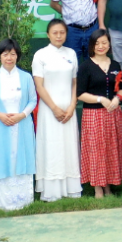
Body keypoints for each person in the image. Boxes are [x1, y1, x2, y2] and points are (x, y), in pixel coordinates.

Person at [33, 19, 82, 201]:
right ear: (48, 34)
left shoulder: (71, 53)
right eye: (55, 32)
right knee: (52, 147)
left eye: (62, 32)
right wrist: (54, 108)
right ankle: (52, 191)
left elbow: (74, 82)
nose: (59, 35)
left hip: (69, 111)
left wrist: (71, 106)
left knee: (68, 147)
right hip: (49, 110)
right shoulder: (40, 55)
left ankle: (71, 188)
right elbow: (39, 85)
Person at [0, 38, 37, 211]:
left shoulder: (26, 77)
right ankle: (4, 203)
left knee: (22, 158)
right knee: (4, 159)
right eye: (5, 54)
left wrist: (21, 115)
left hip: (22, 125)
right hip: (1, 126)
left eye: (13, 54)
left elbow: (32, 100)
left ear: (17, 56)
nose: (9, 58)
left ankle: (25, 201)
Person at [77, 29, 122, 199]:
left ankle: (109, 185)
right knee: (96, 151)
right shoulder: (85, 66)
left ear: (109, 44)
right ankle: (98, 187)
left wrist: (117, 99)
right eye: (97, 43)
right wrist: (100, 100)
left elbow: (121, 89)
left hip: (113, 115)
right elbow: (80, 93)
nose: (101, 46)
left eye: (104, 42)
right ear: (92, 45)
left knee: (111, 150)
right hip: (93, 116)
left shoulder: (115, 65)